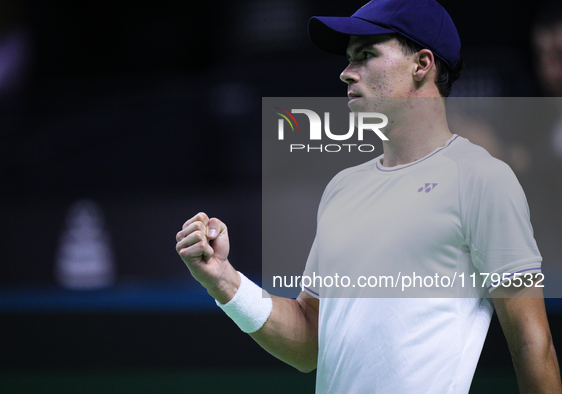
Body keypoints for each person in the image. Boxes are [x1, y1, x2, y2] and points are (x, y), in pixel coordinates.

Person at [176, 0, 562, 392]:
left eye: (366, 55)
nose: (346, 73)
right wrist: (224, 280)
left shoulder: (482, 179)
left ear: (422, 64)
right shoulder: (342, 188)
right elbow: (310, 341)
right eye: (348, 59)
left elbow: (533, 344)